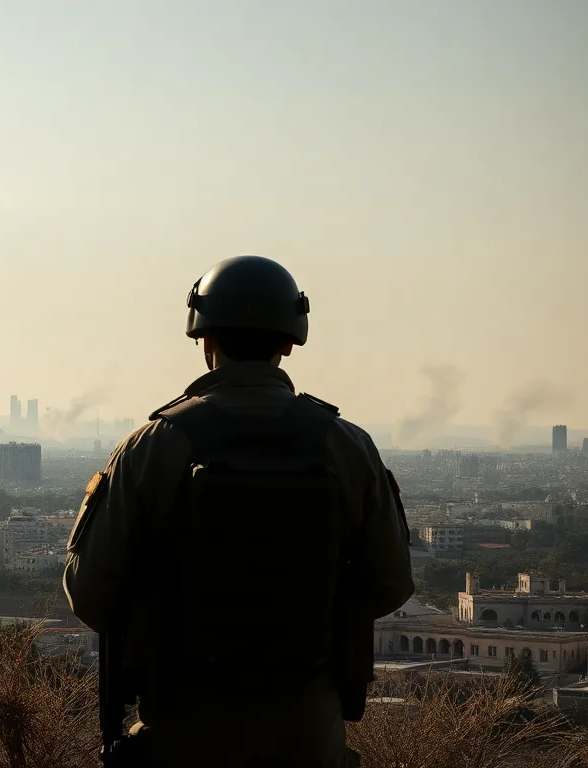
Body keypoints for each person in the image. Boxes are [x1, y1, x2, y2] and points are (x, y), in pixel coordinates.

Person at [63, 255, 414, 768]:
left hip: (180, 737)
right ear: (289, 342)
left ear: (204, 337)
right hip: (309, 738)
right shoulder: (348, 447)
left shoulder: (151, 448)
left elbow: (90, 595)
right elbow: (392, 582)